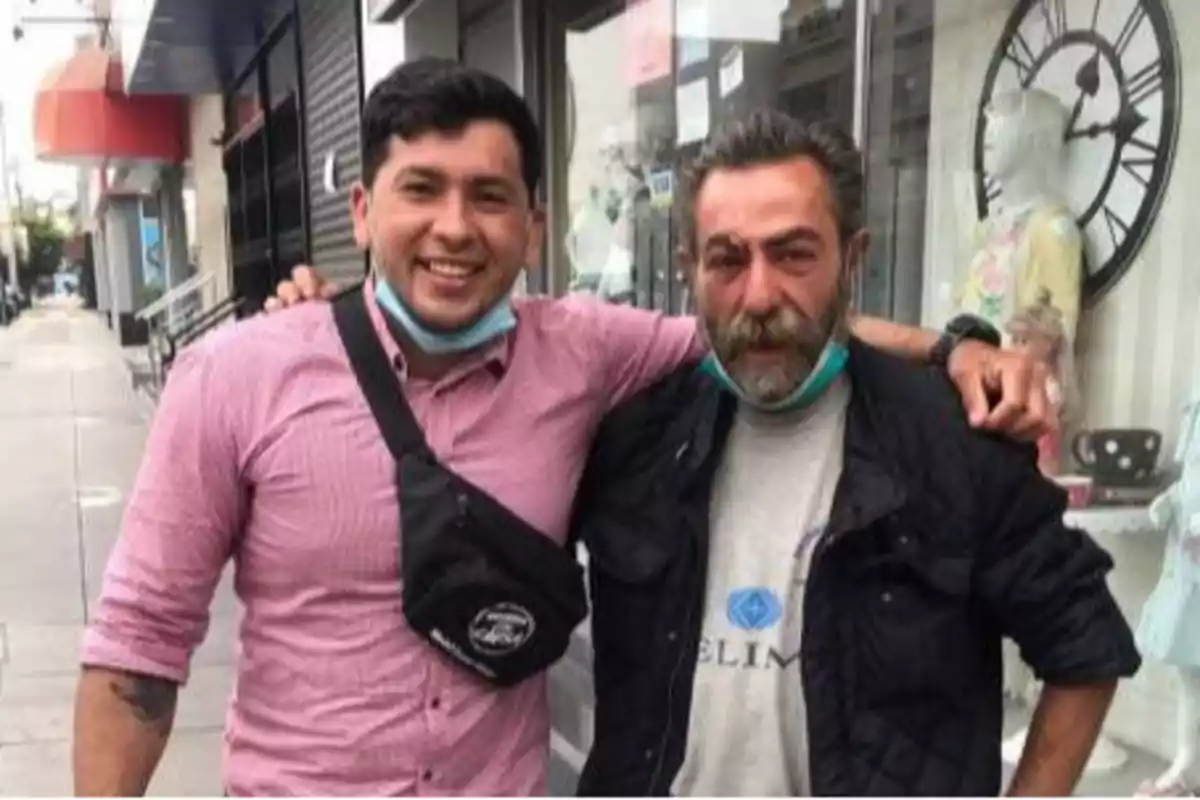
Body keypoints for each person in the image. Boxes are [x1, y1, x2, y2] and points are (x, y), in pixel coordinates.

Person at [74, 59, 1048, 796]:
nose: (456, 227)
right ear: (364, 211)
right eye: (422, 189)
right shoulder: (234, 376)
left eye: (490, 196)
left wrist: (956, 348)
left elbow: (769, 320)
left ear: (534, 226)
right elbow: (137, 648)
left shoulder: (583, 350)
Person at [569, 110, 1140, 797]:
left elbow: (1086, 648)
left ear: (853, 259)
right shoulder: (632, 442)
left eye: (794, 254)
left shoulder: (953, 444)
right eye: (727, 259)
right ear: (690, 270)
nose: (759, 294)